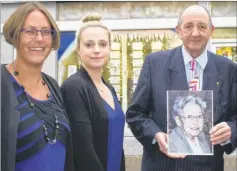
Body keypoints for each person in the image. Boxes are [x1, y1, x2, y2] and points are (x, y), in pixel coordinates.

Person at [126, 5, 236, 171]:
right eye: (188, 26)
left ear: (211, 30)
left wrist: (231, 130)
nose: (195, 33)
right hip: (163, 165)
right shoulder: (154, 64)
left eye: (202, 26)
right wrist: (155, 135)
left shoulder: (228, 69)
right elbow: (135, 114)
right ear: (178, 30)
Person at [1, 2, 74, 171]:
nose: (39, 38)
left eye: (46, 32)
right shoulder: (3, 84)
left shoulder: (53, 86)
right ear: (15, 35)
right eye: (30, 31)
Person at [61, 14, 126, 171]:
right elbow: (83, 151)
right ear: (78, 49)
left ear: (110, 47)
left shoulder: (108, 87)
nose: (96, 50)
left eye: (103, 44)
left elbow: (117, 142)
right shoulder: (73, 87)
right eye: (89, 45)